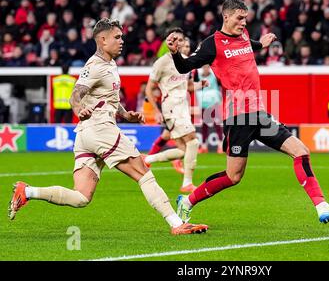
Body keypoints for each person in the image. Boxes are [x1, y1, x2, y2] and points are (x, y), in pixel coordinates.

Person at [8, 18, 208, 235]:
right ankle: (177, 223)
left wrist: (125, 114)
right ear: (102, 40)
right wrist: (78, 110)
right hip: (99, 129)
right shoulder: (94, 66)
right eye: (117, 37)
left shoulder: (109, 64)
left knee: (81, 197)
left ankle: (27, 192)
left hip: (86, 134)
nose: (122, 41)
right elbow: (76, 95)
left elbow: (108, 98)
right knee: (143, 173)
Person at [167, 0, 329, 224]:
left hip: (259, 113)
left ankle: (322, 207)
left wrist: (262, 44)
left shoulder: (245, 36)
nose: (244, 23)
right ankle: (187, 202)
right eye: (239, 18)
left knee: (301, 151)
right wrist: (176, 53)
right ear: (226, 16)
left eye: (245, 18)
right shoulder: (212, 44)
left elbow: (249, 45)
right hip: (237, 117)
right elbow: (185, 66)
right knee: (233, 176)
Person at [144, 31, 209, 193]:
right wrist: (156, 110)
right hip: (172, 107)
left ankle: (147, 159)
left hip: (183, 107)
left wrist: (201, 85)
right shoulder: (161, 63)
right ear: (168, 41)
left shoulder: (185, 62)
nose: (177, 42)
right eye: (174, 39)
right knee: (193, 142)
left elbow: (186, 86)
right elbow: (148, 89)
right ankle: (187, 183)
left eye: (181, 39)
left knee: (183, 151)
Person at [194, 65, 223, 153]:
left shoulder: (214, 76)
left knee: (216, 124)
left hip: (213, 103)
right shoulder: (199, 77)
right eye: (204, 67)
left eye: (207, 67)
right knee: (204, 125)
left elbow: (220, 86)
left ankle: (220, 146)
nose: (206, 69)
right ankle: (203, 146)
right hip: (203, 103)